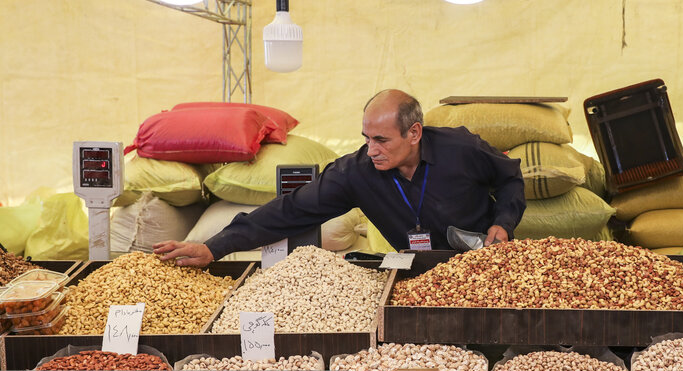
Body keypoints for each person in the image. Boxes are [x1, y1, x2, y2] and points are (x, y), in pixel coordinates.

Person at [153, 89, 526, 267]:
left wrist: (504, 223)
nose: (371, 149)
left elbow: (510, 179)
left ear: (414, 133)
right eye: (366, 138)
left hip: (485, 263)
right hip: (417, 272)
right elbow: (290, 211)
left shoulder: (461, 148)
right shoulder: (357, 172)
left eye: (382, 140)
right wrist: (215, 247)